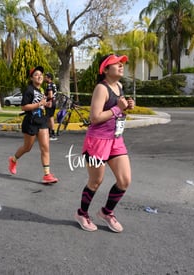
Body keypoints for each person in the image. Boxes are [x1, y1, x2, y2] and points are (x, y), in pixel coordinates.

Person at [74, 54, 135, 233]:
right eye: (116, 64)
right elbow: (95, 118)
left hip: (116, 140)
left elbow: (118, 113)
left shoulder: (119, 86)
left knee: (124, 180)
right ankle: (81, 213)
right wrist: (118, 109)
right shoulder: (102, 88)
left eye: (122, 63)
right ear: (105, 70)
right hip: (98, 141)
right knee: (95, 181)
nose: (121, 66)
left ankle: (106, 212)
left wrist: (126, 107)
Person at [8, 66, 58, 184]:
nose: (39, 76)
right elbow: (24, 107)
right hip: (30, 122)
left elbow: (41, 104)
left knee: (45, 147)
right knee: (27, 147)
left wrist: (46, 104)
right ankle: (13, 159)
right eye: (36, 74)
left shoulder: (41, 90)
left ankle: (47, 174)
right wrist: (39, 104)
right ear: (31, 78)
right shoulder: (29, 90)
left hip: (42, 120)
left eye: (41, 74)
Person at [44, 72, 58, 141]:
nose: (44, 78)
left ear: (49, 78)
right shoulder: (53, 84)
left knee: (49, 118)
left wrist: (44, 96)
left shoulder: (49, 85)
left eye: (45, 77)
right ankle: (51, 133)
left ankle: (52, 134)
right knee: (51, 117)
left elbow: (50, 95)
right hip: (53, 102)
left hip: (50, 103)